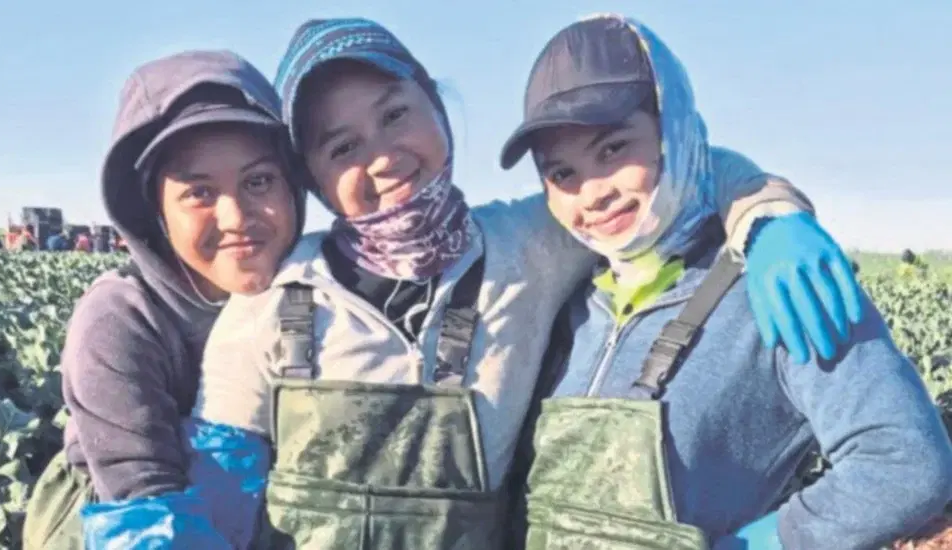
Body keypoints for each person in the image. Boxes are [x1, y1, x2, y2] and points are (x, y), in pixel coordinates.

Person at [130, 18, 869, 549]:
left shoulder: (528, 244)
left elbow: (670, 168)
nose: (383, 157)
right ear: (315, 179)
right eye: (342, 146)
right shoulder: (277, 299)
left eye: (396, 115)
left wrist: (772, 219)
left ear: (437, 109)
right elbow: (224, 490)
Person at [501, 14, 952, 550]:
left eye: (613, 150)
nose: (591, 194)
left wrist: (767, 542)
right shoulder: (574, 304)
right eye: (561, 174)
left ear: (675, 131)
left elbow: (904, 459)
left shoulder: (775, 285)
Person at [21, 50, 307, 550]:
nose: (236, 216)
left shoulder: (316, 297)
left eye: (258, 181)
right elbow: (147, 514)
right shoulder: (122, 319)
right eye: (199, 192)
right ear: (155, 212)